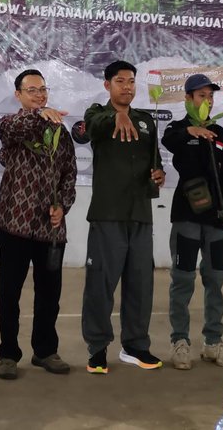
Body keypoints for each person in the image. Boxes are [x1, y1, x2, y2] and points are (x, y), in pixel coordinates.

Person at [81, 60, 165, 374]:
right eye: (120, 81)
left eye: (131, 81)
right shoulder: (96, 115)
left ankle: (135, 347)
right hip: (108, 214)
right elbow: (94, 129)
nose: (127, 87)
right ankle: (97, 349)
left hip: (141, 213)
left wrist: (158, 175)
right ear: (107, 85)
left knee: (141, 284)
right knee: (101, 284)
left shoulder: (146, 121)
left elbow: (153, 162)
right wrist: (117, 115)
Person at [0, 69, 78, 380]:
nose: (40, 94)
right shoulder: (13, 126)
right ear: (18, 95)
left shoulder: (60, 132)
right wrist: (40, 114)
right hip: (14, 225)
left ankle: (44, 351)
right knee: (10, 293)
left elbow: (70, 173)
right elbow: (11, 131)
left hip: (50, 229)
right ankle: (7, 354)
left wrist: (63, 206)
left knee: (49, 294)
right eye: (32, 90)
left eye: (43, 89)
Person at [162, 73, 223, 371]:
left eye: (210, 96)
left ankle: (213, 343)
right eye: (201, 96)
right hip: (186, 217)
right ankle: (180, 342)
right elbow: (169, 141)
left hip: (216, 221)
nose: (207, 100)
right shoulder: (178, 128)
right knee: (182, 280)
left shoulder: (219, 132)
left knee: (215, 280)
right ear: (188, 99)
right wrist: (191, 131)